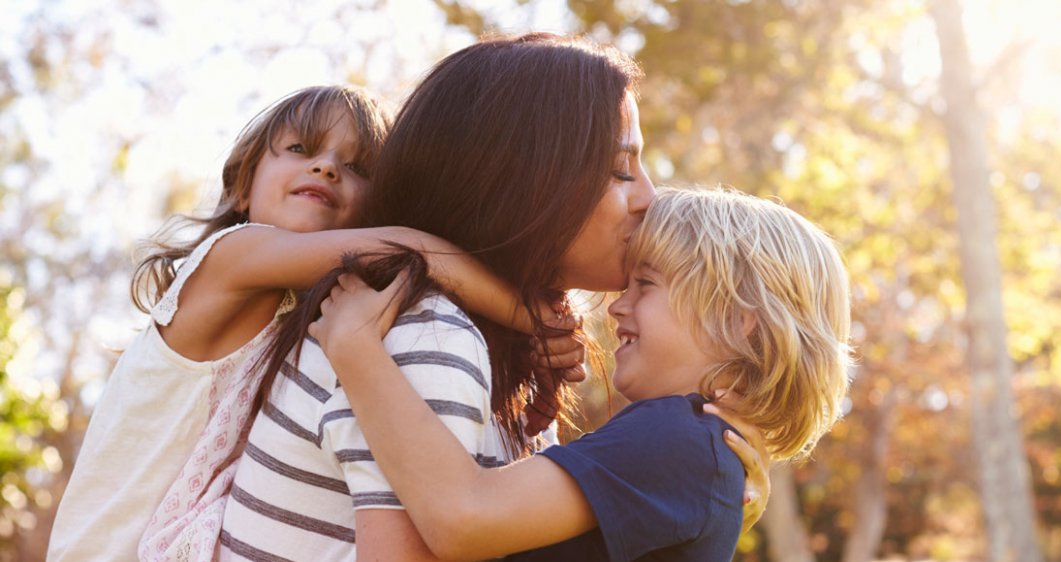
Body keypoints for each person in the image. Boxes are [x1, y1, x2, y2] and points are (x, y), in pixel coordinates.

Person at [216, 34, 771, 562]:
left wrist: (691, 496)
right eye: (620, 168)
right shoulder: (424, 338)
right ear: (523, 181)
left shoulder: (476, 344)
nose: (649, 197)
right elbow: (460, 519)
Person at [47, 85, 581, 562]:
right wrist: (532, 319)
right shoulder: (228, 259)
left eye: (357, 168)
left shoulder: (306, 311)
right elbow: (413, 251)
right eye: (301, 149)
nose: (327, 168)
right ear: (241, 188)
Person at [315, 187, 853, 561]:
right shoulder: (696, 448)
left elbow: (462, 517)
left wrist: (355, 346)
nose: (618, 307)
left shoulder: (677, 436)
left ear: (739, 323)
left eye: (646, 284)